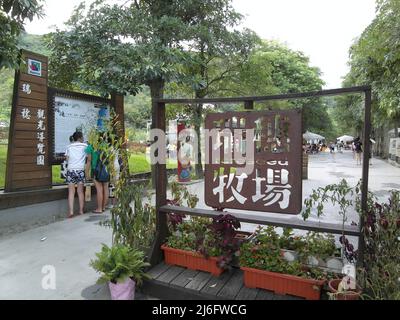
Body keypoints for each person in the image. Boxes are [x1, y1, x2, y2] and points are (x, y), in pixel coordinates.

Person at [65, 131, 87, 218]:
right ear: (80, 138)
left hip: (71, 170)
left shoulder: (68, 146)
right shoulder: (85, 146)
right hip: (80, 170)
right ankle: (81, 210)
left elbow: (67, 159)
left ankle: (71, 212)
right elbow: (87, 157)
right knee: (80, 192)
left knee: (71, 192)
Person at [85, 135, 110, 213]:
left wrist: (86, 173)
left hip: (95, 170)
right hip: (106, 169)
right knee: (106, 188)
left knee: (99, 189)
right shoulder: (106, 146)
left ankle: (99, 209)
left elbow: (88, 161)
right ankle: (103, 207)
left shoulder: (90, 147)